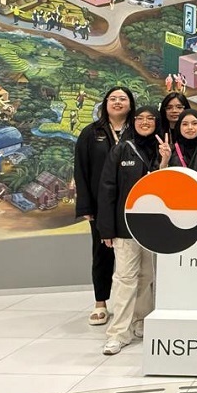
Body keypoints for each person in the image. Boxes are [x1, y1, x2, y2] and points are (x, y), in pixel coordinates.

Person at [97, 106, 171, 356]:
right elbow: (108, 189)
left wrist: (165, 161)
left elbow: (165, 187)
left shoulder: (164, 149)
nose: (145, 122)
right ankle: (118, 333)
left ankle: (141, 322)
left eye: (150, 119)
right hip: (124, 227)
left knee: (146, 277)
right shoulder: (121, 149)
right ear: (133, 122)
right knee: (125, 278)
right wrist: (106, 228)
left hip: (153, 228)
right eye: (140, 118)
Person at [74, 86, 136, 326]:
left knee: (133, 255)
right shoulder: (91, 133)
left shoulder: (137, 130)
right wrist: (86, 207)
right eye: (113, 99)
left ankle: (133, 306)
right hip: (102, 205)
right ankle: (100, 303)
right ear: (105, 103)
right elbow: (81, 170)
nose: (118, 102)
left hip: (133, 204)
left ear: (130, 104)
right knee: (102, 253)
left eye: (123, 99)